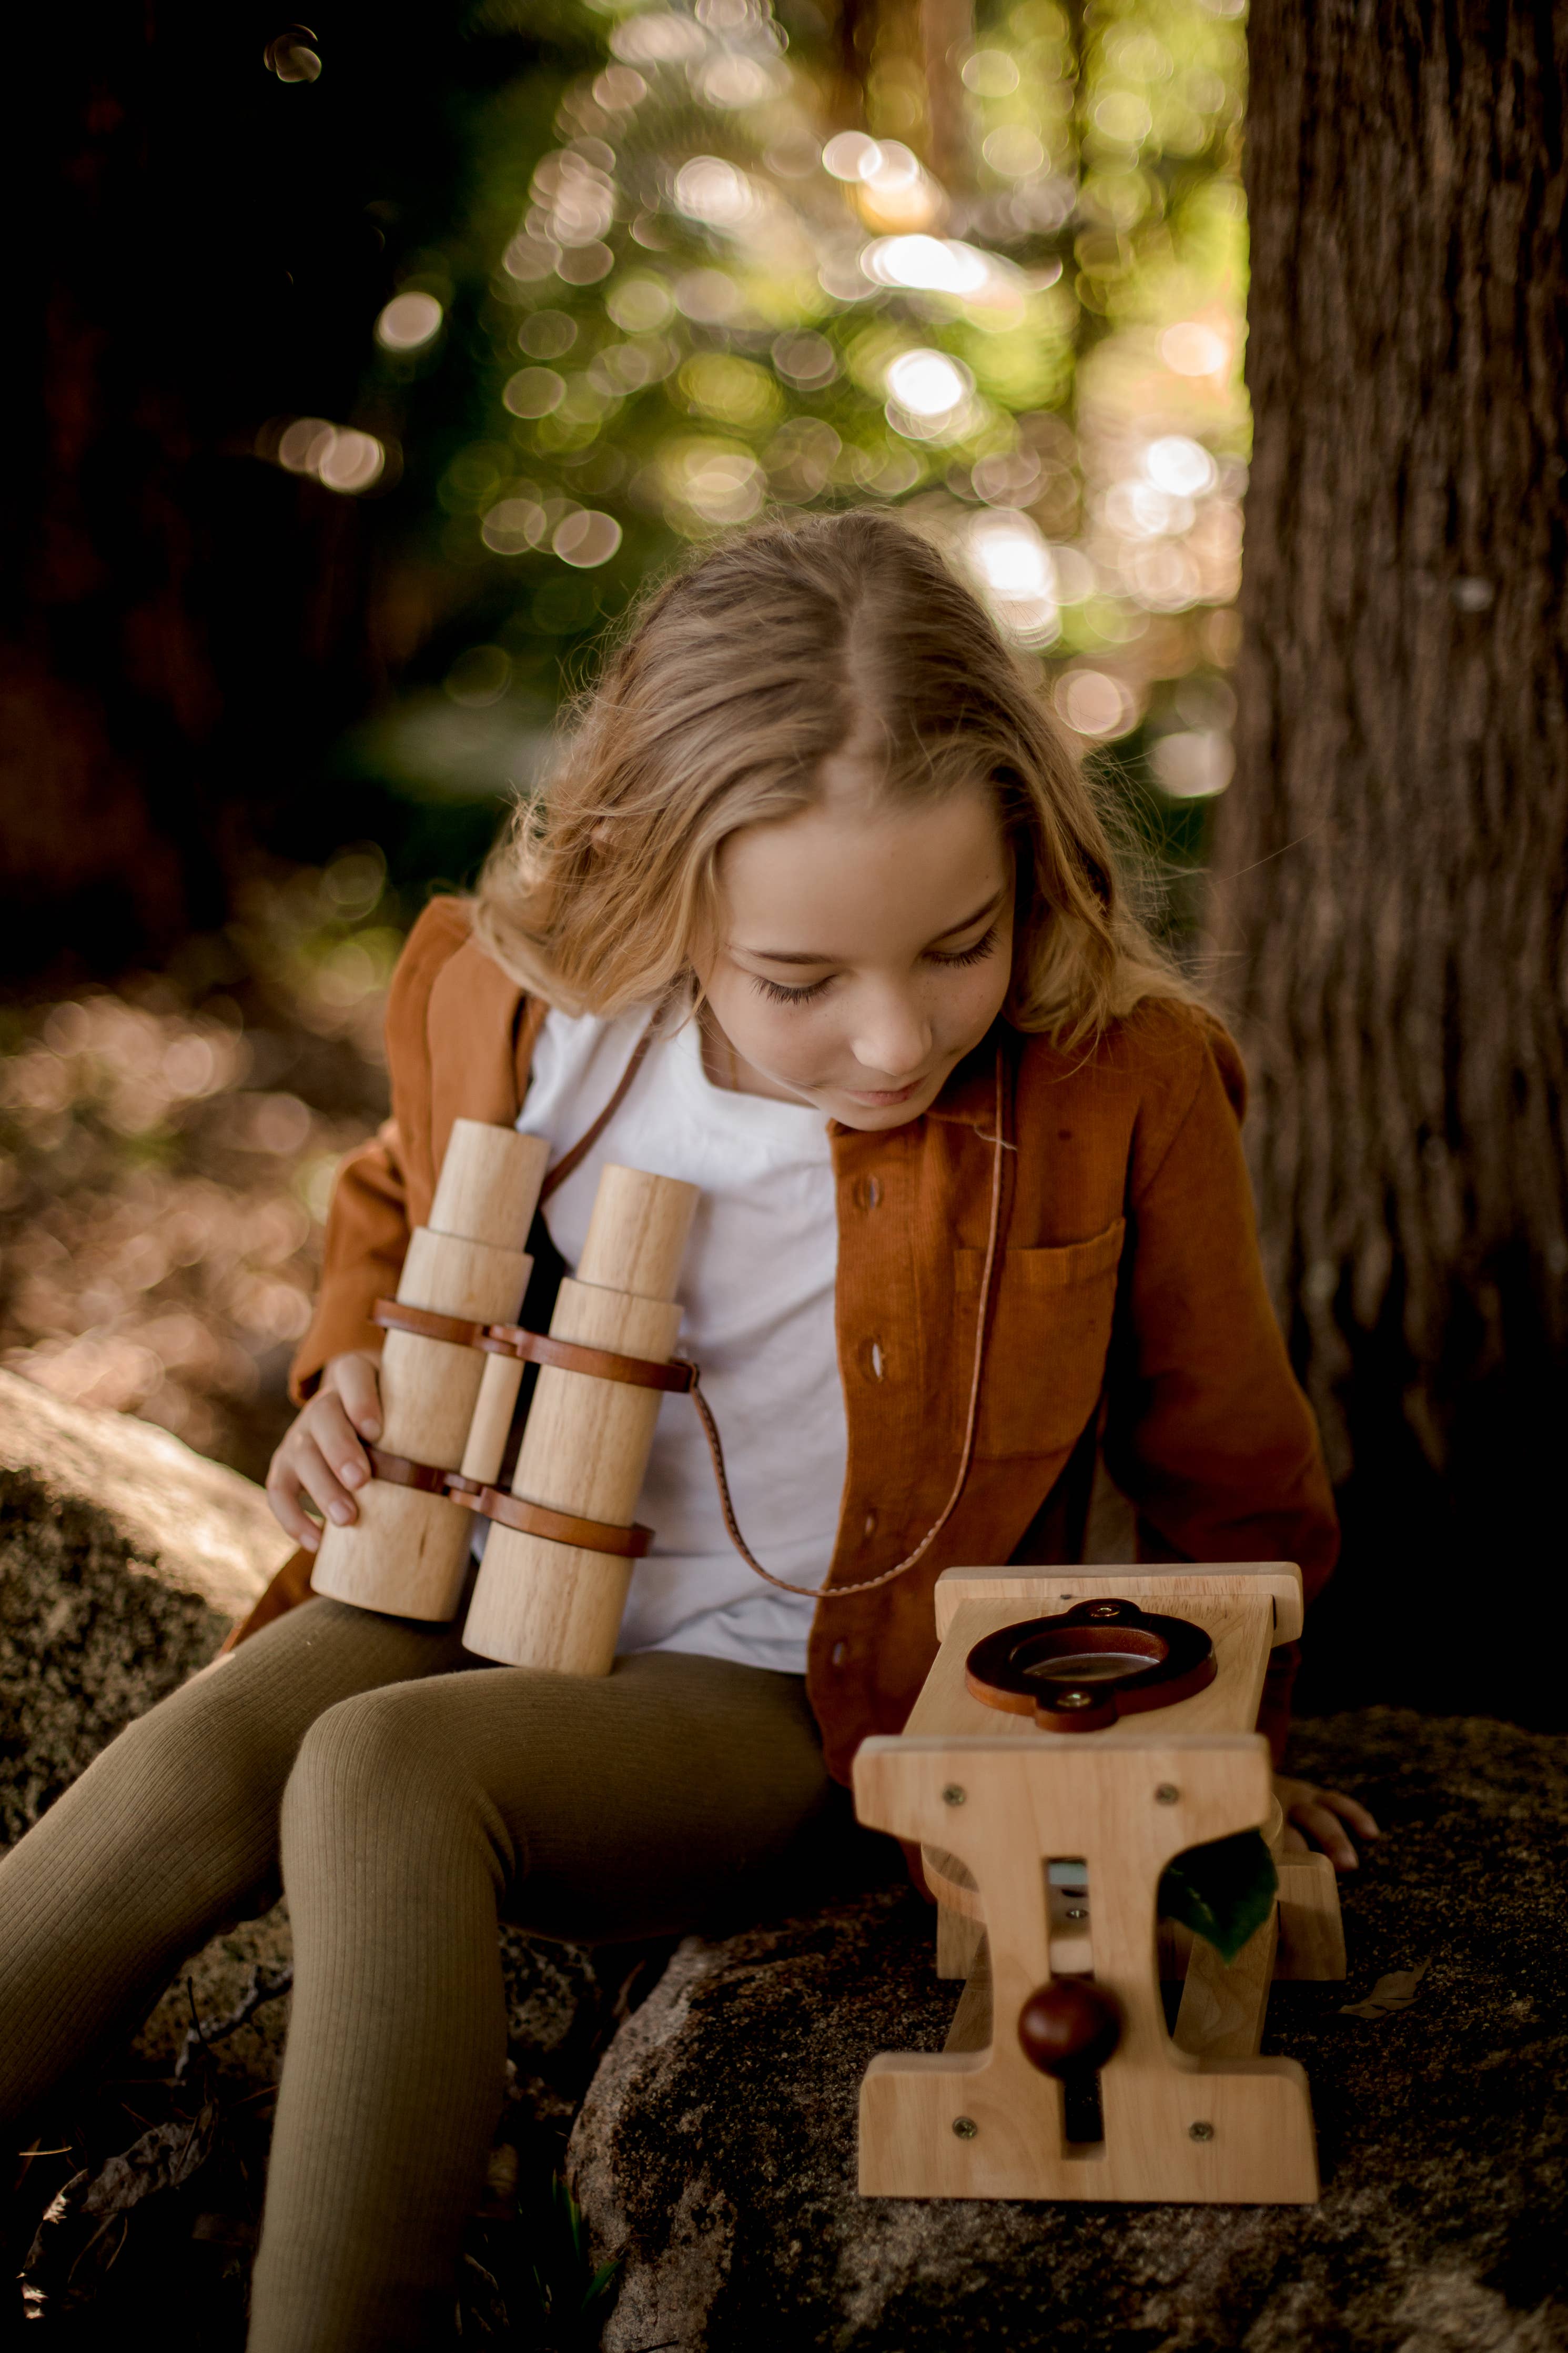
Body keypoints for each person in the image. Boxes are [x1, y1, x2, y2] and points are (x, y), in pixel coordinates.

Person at [0, 511, 1374, 2348]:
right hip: (486, 1576)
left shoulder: (1119, 1080)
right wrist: (349, 1373)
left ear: (1032, 865)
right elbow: (397, 1198)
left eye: (957, 946)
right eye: (802, 982)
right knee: (206, 1753)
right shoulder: (522, 1004)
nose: (895, 1040)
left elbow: (1231, 1463)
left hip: (791, 1684)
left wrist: (1218, 1756)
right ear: (661, 884)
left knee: (387, 1775)